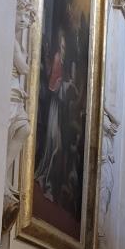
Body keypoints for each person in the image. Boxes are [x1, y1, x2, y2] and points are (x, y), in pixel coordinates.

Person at [34, 30, 75, 201]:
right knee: (54, 143)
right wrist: (64, 86)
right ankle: (45, 180)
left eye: (65, 47)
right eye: (62, 46)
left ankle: (49, 182)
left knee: (57, 146)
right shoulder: (58, 59)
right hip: (54, 108)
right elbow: (52, 86)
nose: (63, 50)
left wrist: (69, 86)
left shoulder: (67, 64)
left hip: (61, 111)